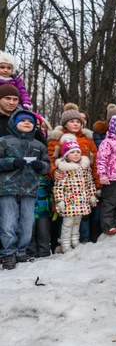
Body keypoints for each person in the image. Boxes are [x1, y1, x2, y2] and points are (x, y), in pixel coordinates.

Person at [0, 110, 50, 269]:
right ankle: (8, 254)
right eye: (22, 121)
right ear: (14, 123)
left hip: (30, 189)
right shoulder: (4, 141)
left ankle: (21, 252)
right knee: (8, 223)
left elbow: (47, 165)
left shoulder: (39, 145)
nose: (27, 123)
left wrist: (41, 166)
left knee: (27, 224)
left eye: (30, 121)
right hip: (7, 188)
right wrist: (12, 162)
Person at [53, 138, 97, 253]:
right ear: (66, 155)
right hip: (69, 201)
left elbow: (89, 182)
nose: (76, 154)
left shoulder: (84, 168)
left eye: (78, 152)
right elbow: (58, 187)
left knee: (77, 221)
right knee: (68, 223)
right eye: (72, 152)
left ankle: (74, 241)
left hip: (81, 200)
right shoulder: (63, 169)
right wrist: (60, 200)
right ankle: (65, 244)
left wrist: (92, 195)